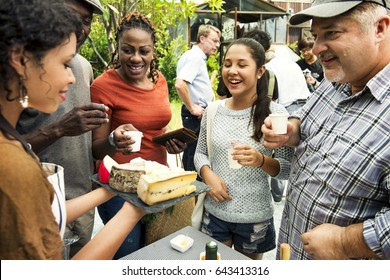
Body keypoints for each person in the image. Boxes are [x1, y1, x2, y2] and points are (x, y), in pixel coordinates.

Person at [0, 0, 145, 260]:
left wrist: (115, 189)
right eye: (65, 63)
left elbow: (54, 211)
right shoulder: (15, 168)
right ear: (20, 60)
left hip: (77, 194)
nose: (72, 78)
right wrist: (133, 211)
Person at [262, 0, 390, 260]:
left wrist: (347, 242)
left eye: (332, 33)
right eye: (316, 35)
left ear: (380, 28)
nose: (317, 48)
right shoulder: (338, 79)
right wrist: (293, 129)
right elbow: (306, 120)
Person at [90, 12, 188, 259]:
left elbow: (157, 128)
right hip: (118, 188)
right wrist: (113, 141)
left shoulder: (160, 81)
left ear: (153, 51)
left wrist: (171, 143)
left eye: (143, 51)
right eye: (128, 50)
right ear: (118, 50)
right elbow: (95, 150)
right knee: (127, 255)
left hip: (157, 181)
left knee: (157, 253)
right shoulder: (103, 86)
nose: (136, 58)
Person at [16, 0, 108, 258]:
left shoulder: (85, 67)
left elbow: (89, 143)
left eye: (87, 20)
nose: (80, 28)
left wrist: (112, 140)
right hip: (36, 203)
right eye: (70, 15)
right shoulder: (17, 72)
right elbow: (8, 149)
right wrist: (58, 129)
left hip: (81, 200)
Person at [194, 38, 294, 260]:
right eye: (227, 64)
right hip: (214, 213)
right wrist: (207, 174)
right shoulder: (212, 111)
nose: (232, 71)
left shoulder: (276, 114)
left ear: (260, 71)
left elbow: (287, 169)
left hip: (254, 219)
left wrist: (260, 160)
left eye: (241, 64)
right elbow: (200, 152)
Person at [175, 24, 221, 176]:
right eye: (214, 41)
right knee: (193, 156)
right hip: (194, 115)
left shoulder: (195, 57)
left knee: (193, 153)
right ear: (202, 38)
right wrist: (192, 108)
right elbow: (180, 84)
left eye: (218, 41)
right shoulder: (194, 58)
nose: (217, 45)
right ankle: (191, 193)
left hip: (197, 113)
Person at [262, 31, 311, 115]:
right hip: (307, 105)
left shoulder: (268, 67)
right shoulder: (293, 64)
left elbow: (270, 95)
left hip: (288, 108)